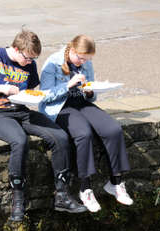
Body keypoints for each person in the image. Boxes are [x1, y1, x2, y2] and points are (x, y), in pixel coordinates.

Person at [0, 29, 87, 221]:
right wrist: (2, 88)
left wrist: (33, 96)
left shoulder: (30, 62)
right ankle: (18, 198)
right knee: (20, 140)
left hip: (21, 111)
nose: (30, 62)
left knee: (61, 137)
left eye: (34, 59)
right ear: (16, 49)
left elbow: (29, 89)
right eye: (27, 58)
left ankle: (62, 195)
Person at [38, 35, 133, 212]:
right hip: (59, 108)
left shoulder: (86, 62)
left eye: (87, 59)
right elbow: (44, 96)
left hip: (81, 103)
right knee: (83, 133)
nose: (83, 62)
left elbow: (90, 91)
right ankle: (85, 188)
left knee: (113, 129)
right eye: (81, 58)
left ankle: (116, 182)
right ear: (72, 50)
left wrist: (90, 92)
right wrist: (68, 85)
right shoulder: (53, 63)